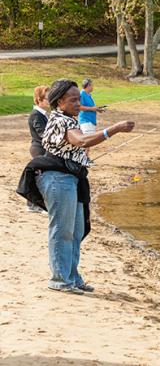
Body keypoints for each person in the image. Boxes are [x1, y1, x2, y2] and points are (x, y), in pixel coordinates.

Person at [17, 79, 135, 295]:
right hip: (57, 179)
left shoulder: (66, 118)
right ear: (60, 101)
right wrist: (114, 129)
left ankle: (72, 276)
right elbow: (80, 141)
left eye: (79, 99)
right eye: (73, 100)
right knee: (63, 230)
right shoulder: (63, 121)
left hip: (71, 178)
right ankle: (60, 280)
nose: (78, 103)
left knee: (77, 230)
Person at [26, 85, 50, 213]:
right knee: (39, 178)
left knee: (39, 177)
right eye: (47, 98)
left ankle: (35, 204)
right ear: (39, 99)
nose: (50, 101)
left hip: (42, 148)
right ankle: (32, 205)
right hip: (38, 149)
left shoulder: (44, 114)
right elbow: (43, 134)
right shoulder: (36, 115)